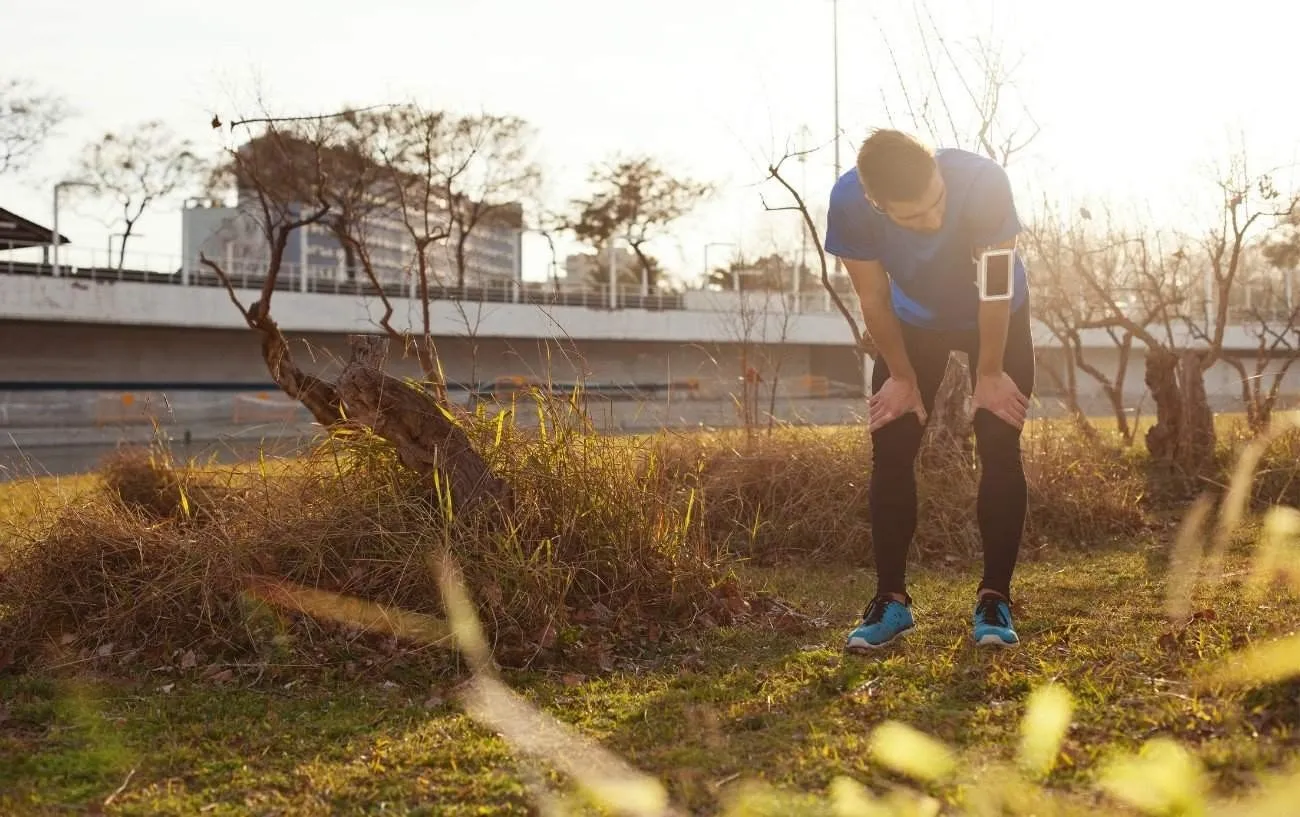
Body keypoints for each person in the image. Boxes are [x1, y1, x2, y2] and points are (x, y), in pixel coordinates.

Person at [823, 128, 1034, 651]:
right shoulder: (850, 201)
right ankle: (890, 602)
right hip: (913, 321)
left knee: (999, 441)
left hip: (997, 315)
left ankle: (994, 600)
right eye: (912, 218)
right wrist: (900, 375)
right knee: (891, 446)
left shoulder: (983, 182)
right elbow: (872, 296)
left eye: (935, 204)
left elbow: (995, 286)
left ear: (938, 172)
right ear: (877, 204)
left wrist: (989, 372)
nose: (932, 221)